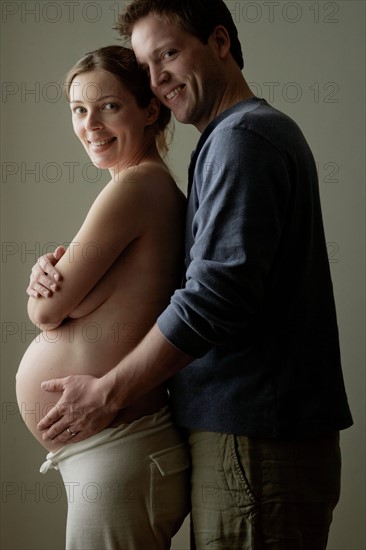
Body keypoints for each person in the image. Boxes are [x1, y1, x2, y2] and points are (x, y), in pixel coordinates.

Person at [28, 1, 353, 548]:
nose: (158, 80)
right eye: (146, 65)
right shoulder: (229, 139)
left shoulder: (242, 139)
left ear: (220, 43)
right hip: (245, 437)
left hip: (254, 438)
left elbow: (213, 299)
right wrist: (53, 269)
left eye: (170, 54)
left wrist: (107, 393)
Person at [17, 45, 190, 550]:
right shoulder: (146, 187)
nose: (90, 124)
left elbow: (46, 310)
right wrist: (46, 274)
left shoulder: (134, 188)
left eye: (109, 106)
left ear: (150, 110)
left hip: (123, 453)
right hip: (116, 454)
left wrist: (42, 293)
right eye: (79, 109)